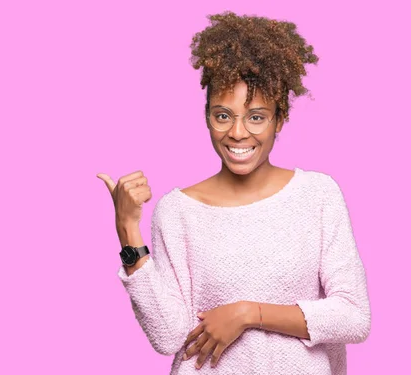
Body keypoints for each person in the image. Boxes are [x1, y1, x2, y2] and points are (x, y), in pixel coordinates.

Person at [96, 11, 371, 375]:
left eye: (256, 116)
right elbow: (168, 336)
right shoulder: (178, 211)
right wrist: (128, 229)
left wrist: (248, 314)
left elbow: (354, 316)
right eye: (222, 115)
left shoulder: (318, 195)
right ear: (207, 116)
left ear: (280, 119)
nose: (237, 133)